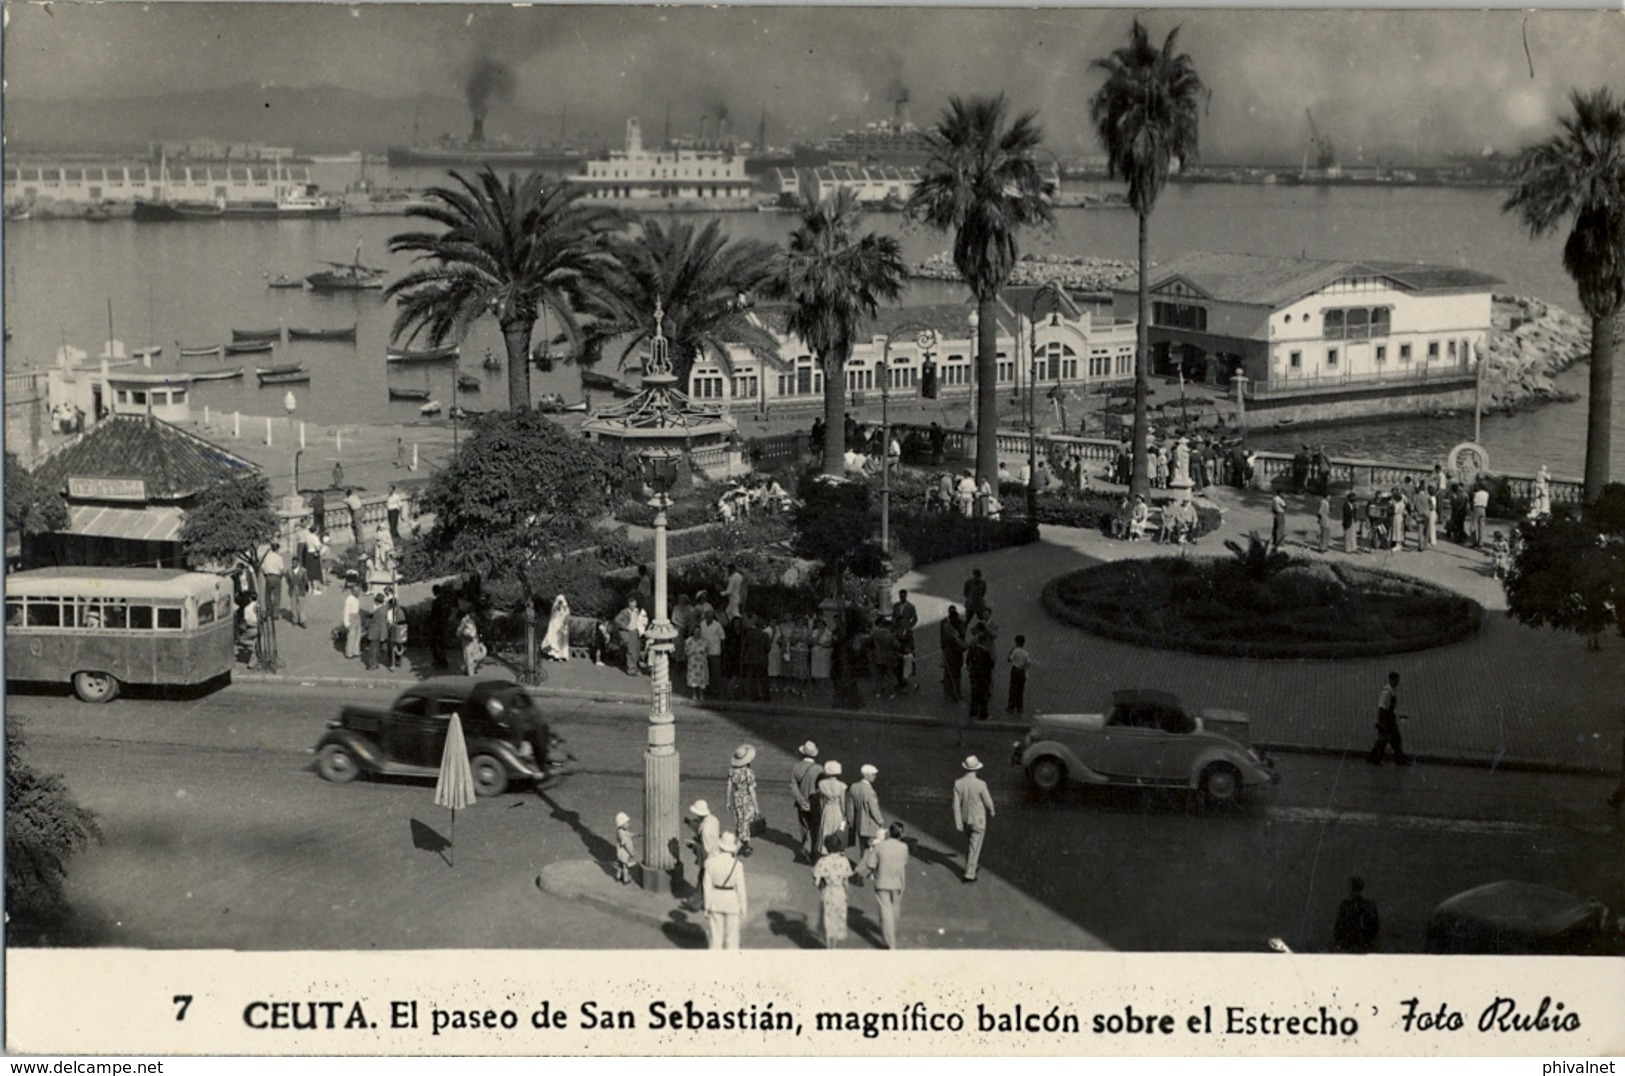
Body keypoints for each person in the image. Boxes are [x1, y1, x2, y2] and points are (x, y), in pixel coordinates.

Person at [862, 821, 910, 950]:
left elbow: (870, 864)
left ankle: (890, 942)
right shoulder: (904, 847)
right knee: (895, 909)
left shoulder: (880, 847)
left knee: (885, 912)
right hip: (898, 882)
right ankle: (891, 931)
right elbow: (905, 862)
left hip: (882, 881)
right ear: (901, 834)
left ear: (889, 832)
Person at [702, 831, 748, 950]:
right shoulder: (738, 865)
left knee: (715, 938)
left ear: (720, 846)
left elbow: (706, 886)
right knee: (732, 939)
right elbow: (741, 889)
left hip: (715, 901)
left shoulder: (710, 863)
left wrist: (707, 906)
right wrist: (743, 907)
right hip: (732, 902)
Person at [952, 756, 995, 883]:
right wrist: (992, 810)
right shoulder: (981, 784)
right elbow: (988, 801)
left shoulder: (958, 783)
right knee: (975, 846)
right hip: (978, 820)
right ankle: (970, 873)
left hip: (966, 820)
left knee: (971, 843)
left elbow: (955, 805)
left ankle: (969, 865)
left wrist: (958, 821)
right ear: (976, 770)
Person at [811, 834, 853, 949]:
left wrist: (820, 884)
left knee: (828, 920)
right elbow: (846, 882)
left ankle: (829, 947)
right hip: (840, 893)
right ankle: (834, 946)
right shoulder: (844, 861)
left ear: (827, 847)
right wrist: (848, 895)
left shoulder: (823, 861)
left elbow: (815, 880)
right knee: (838, 920)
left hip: (828, 892)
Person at [1367, 671, 1411, 766]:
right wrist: (1381, 722)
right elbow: (1382, 708)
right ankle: (1376, 757)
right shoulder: (1386, 693)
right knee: (1387, 740)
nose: (1397, 683)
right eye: (1396, 680)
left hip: (1389, 718)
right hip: (1387, 719)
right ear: (1391, 680)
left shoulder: (1391, 692)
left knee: (1391, 739)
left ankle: (1375, 757)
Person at [791, 742, 823, 864]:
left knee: (804, 826)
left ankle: (807, 851)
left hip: (801, 802)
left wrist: (800, 800)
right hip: (815, 803)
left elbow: (793, 785)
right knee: (815, 827)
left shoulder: (796, 767)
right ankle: (809, 850)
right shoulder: (819, 769)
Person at [726, 744, 760, 857]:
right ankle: (734, 852)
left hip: (737, 799)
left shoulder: (732, 771)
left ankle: (745, 848)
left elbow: (729, 787)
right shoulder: (748, 773)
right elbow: (752, 791)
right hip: (746, 800)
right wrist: (757, 808)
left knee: (740, 823)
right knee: (746, 825)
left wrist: (728, 802)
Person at [1332, 876, 1380, 954]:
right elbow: (1339, 928)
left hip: (1360, 947)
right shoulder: (1346, 906)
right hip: (1353, 947)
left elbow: (1374, 928)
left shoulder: (1366, 906)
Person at [847, 764, 885, 851]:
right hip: (871, 826)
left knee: (863, 849)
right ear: (866, 775)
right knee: (872, 850)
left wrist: (851, 820)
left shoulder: (854, 787)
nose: (875, 777)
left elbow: (850, 807)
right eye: (873, 774)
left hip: (859, 824)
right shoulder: (870, 791)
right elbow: (874, 810)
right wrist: (880, 821)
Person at [816, 761, 848, 854]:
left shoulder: (822, 784)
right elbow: (842, 802)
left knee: (825, 830)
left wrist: (822, 810)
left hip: (827, 808)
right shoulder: (842, 785)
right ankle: (837, 850)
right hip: (837, 810)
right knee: (838, 830)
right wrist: (844, 815)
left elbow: (822, 800)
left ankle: (824, 850)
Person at [966, 628, 994, 721]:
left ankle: (973, 712)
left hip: (973, 675)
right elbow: (990, 664)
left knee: (974, 694)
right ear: (984, 642)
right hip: (983, 677)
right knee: (983, 696)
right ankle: (983, 714)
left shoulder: (972, 650)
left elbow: (968, 661)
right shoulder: (986, 653)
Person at [613, 596, 644, 677]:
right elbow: (617, 620)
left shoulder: (638, 611)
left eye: (633, 605)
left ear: (636, 604)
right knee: (631, 651)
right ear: (628, 605)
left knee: (637, 651)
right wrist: (626, 627)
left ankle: (635, 667)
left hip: (637, 631)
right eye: (631, 605)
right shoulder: (625, 612)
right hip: (630, 632)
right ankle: (631, 670)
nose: (632, 607)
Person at [940, 606, 966, 702]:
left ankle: (955, 692)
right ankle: (950, 693)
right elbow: (943, 638)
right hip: (951, 652)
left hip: (955, 652)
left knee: (955, 674)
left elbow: (962, 636)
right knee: (950, 673)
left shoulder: (958, 624)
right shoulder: (946, 625)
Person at [699, 609, 726, 691]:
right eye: (708, 617)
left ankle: (716, 691)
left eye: (711, 617)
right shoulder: (702, 624)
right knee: (705, 673)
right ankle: (706, 690)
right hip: (704, 652)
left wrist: (722, 651)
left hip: (715, 652)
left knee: (716, 673)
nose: (709, 618)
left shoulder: (717, 625)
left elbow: (722, 638)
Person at [260, 542, 285, 624]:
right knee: (277, 595)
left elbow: (263, 568)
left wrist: (266, 575)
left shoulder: (267, 557)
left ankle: (268, 612)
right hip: (276, 577)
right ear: (277, 549)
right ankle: (275, 614)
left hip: (268, 577)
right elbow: (281, 569)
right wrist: (280, 577)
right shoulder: (279, 557)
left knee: (267, 595)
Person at [365, 593, 391, 670]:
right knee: (379, 648)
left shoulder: (378, 611)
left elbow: (374, 620)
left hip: (375, 632)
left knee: (373, 649)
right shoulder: (384, 609)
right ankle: (378, 662)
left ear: (376, 602)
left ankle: (372, 664)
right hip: (381, 631)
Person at [1006, 634, 1030, 716]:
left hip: (1015, 670)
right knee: (1020, 689)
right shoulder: (1025, 653)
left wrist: (1010, 652)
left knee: (1013, 688)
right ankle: (1019, 707)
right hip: (1022, 671)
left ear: (1016, 642)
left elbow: (1009, 659)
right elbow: (1028, 664)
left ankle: (1011, 707)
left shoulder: (1015, 651)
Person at [457, 602, 483, 676]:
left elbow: (476, 630)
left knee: (477, 655)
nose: (474, 614)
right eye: (473, 613)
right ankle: (470, 673)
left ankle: (466, 668)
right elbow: (459, 630)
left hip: (474, 640)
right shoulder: (465, 620)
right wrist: (463, 636)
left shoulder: (475, 620)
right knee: (468, 657)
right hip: (467, 640)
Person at [684, 627, 710, 699]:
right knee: (693, 679)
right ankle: (694, 694)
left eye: (699, 632)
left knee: (702, 680)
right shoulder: (688, 641)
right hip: (693, 663)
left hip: (702, 663)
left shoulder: (705, 641)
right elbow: (686, 652)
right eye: (696, 632)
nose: (697, 633)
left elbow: (707, 651)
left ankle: (701, 694)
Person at [613, 813, 637, 885]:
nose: (628, 824)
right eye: (626, 823)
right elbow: (626, 844)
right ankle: (625, 879)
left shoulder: (620, 831)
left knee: (620, 864)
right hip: (624, 852)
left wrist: (634, 835)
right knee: (625, 866)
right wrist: (631, 852)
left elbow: (628, 834)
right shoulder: (622, 833)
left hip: (620, 851)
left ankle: (618, 876)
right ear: (621, 824)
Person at [287, 557, 309, 629]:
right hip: (292, 589)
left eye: (295, 562)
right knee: (293, 605)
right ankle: (295, 620)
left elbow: (306, 580)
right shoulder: (289, 571)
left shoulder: (303, 571)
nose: (293, 564)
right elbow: (288, 580)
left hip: (300, 589)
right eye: (292, 562)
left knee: (301, 605)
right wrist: (291, 585)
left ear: (298, 563)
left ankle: (302, 621)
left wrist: (302, 587)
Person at [343, 586, 363, 660]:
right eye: (356, 591)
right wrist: (346, 622)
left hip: (357, 616)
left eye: (359, 591)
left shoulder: (356, 598)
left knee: (358, 634)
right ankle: (349, 653)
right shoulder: (349, 599)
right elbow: (346, 611)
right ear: (352, 591)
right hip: (352, 617)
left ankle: (356, 651)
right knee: (351, 635)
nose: (358, 592)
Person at [1470, 483, 1490, 547]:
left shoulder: (1477, 494)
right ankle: (1481, 542)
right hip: (1483, 509)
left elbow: (1474, 501)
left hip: (1477, 508)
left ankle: (1474, 541)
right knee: (1481, 526)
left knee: (1474, 525)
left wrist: (1471, 508)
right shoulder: (1487, 494)